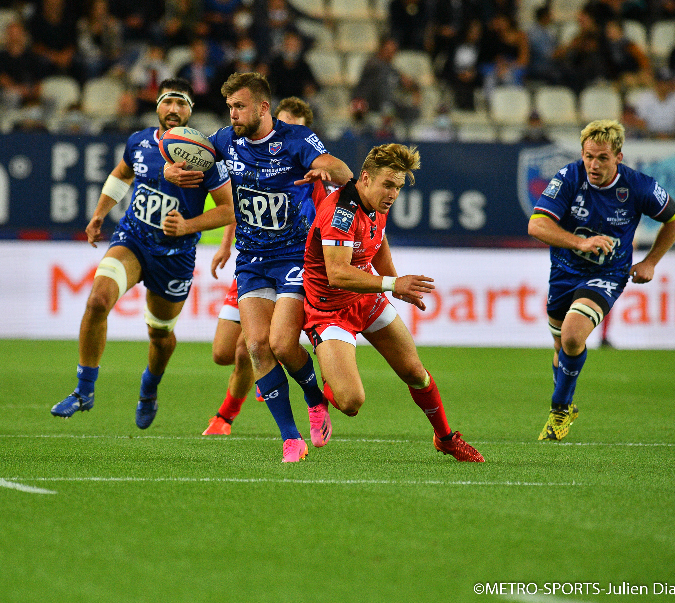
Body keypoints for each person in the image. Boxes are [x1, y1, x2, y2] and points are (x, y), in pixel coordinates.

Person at [166, 73, 352, 461]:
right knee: (254, 346)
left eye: (240, 106)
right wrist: (171, 170)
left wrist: (325, 168)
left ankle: (314, 397)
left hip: (296, 256)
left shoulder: (295, 139)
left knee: (282, 344)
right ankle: (291, 438)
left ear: (263, 107)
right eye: (229, 107)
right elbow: (190, 160)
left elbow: (341, 171)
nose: (232, 114)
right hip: (252, 258)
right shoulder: (225, 140)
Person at [50, 78, 235, 426]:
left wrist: (188, 226)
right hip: (133, 239)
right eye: (168, 101)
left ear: (190, 110)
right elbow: (122, 174)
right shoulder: (139, 141)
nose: (174, 109)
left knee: (160, 337)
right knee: (97, 301)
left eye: (182, 103)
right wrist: (99, 214)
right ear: (158, 106)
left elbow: (229, 210)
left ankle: (149, 387)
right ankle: (84, 390)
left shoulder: (204, 155)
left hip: (175, 255)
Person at [301, 143, 484, 462]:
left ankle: (445, 439)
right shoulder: (341, 213)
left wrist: (393, 280)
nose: (393, 194)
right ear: (365, 178)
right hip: (329, 310)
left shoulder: (377, 205)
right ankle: (318, 392)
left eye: (398, 187)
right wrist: (391, 283)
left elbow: (378, 239)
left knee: (415, 372)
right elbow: (337, 273)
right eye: (388, 184)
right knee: (350, 403)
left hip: (365, 298)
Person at [528, 119, 675, 440]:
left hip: (607, 274)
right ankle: (566, 404)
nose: (594, 165)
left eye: (602, 158)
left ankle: (559, 409)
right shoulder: (569, 177)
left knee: (572, 335)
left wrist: (650, 262)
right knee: (561, 346)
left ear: (618, 157)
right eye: (588, 156)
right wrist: (580, 242)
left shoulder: (638, 186)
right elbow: (537, 225)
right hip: (564, 272)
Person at [202, 96, 324, 436]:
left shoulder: (311, 176)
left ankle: (227, 415)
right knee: (224, 352)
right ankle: (270, 373)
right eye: (284, 125)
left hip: (292, 261)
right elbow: (240, 202)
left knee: (256, 346)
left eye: (296, 130)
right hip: (253, 259)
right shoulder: (245, 151)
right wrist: (225, 244)